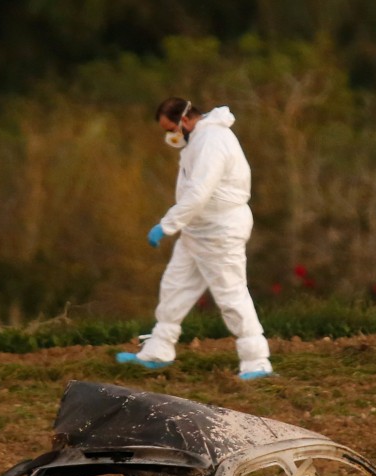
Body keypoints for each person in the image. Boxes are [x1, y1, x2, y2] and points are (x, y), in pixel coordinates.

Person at [115, 97, 273, 381]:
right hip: (197, 230)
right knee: (175, 286)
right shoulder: (199, 140)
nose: (171, 135)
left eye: (171, 128)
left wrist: (167, 224)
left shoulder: (212, 141)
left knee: (230, 293)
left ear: (185, 120)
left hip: (219, 231)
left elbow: (200, 192)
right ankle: (159, 349)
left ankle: (256, 360)